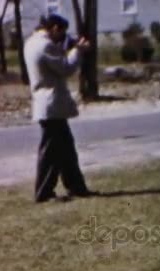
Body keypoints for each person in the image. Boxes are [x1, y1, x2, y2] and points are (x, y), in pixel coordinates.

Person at [23, 14, 98, 202]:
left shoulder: (31, 42)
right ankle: (43, 192)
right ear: (55, 28)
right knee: (50, 152)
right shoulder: (45, 45)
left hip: (47, 103)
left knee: (66, 150)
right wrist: (78, 51)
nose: (61, 37)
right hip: (51, 103)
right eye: (61, 32)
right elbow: (65, 68)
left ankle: (77, 187)